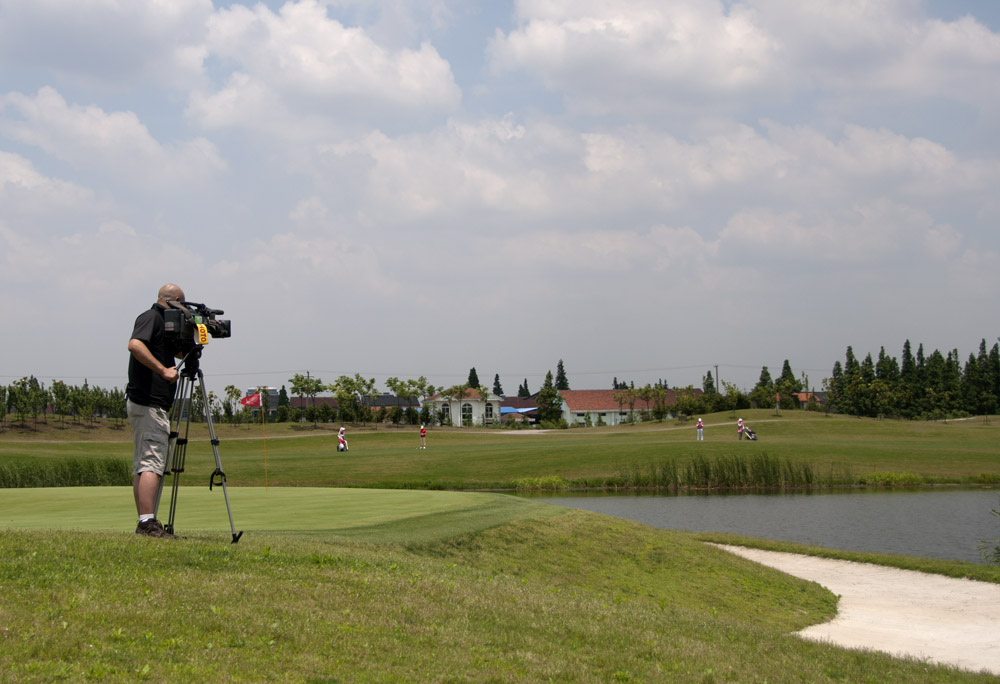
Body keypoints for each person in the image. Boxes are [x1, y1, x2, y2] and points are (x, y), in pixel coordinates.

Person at [126, 283, 185, 538]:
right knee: (152, 462)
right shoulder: (151, 317)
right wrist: (163, 370)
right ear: (175, 300)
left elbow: (176, 351)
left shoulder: (165, 325)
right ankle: (147, 523)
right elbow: (135, 345)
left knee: (143, 463)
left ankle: (144, 520)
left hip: (147, 402)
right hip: (149, 402)